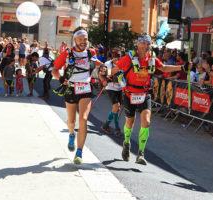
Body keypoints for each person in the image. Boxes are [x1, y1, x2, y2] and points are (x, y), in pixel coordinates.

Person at [110, 33, 191, 165]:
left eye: (148, 44)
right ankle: (127, 142)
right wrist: (109, 74)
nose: (146, 46)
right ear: (138, 44)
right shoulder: (129, 58)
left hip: (144, 93)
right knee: (130, 123)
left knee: (146, 122)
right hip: (130, 93)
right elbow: (114, 69)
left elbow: (163, 68)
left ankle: (141, 153)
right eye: (143, 43)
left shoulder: (151, 58)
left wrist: (182, 67)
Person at [52, 27, 103, 165]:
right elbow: (55, 70)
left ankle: (79, 152)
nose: (83, 42)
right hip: (70, 89)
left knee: (84, 119)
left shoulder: (90, 52)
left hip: (86, 88)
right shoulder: (67, 54)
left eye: (85, 39)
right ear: (75, 40)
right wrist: (60, 78)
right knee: (72, 122)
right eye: (80, 39)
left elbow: (96, 63)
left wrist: (104, 68)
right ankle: (71, 134)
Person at [100, 50, 123, 137]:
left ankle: (106, 126)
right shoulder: (107, 64)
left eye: (118, 56)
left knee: (116, 108)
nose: (116, 58)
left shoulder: (123, 64)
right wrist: (103, 81)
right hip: (110, 87)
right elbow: (100, 74)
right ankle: (117, 128)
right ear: (112, 56)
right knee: (116, 106)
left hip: (119, 88)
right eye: (115, 56)